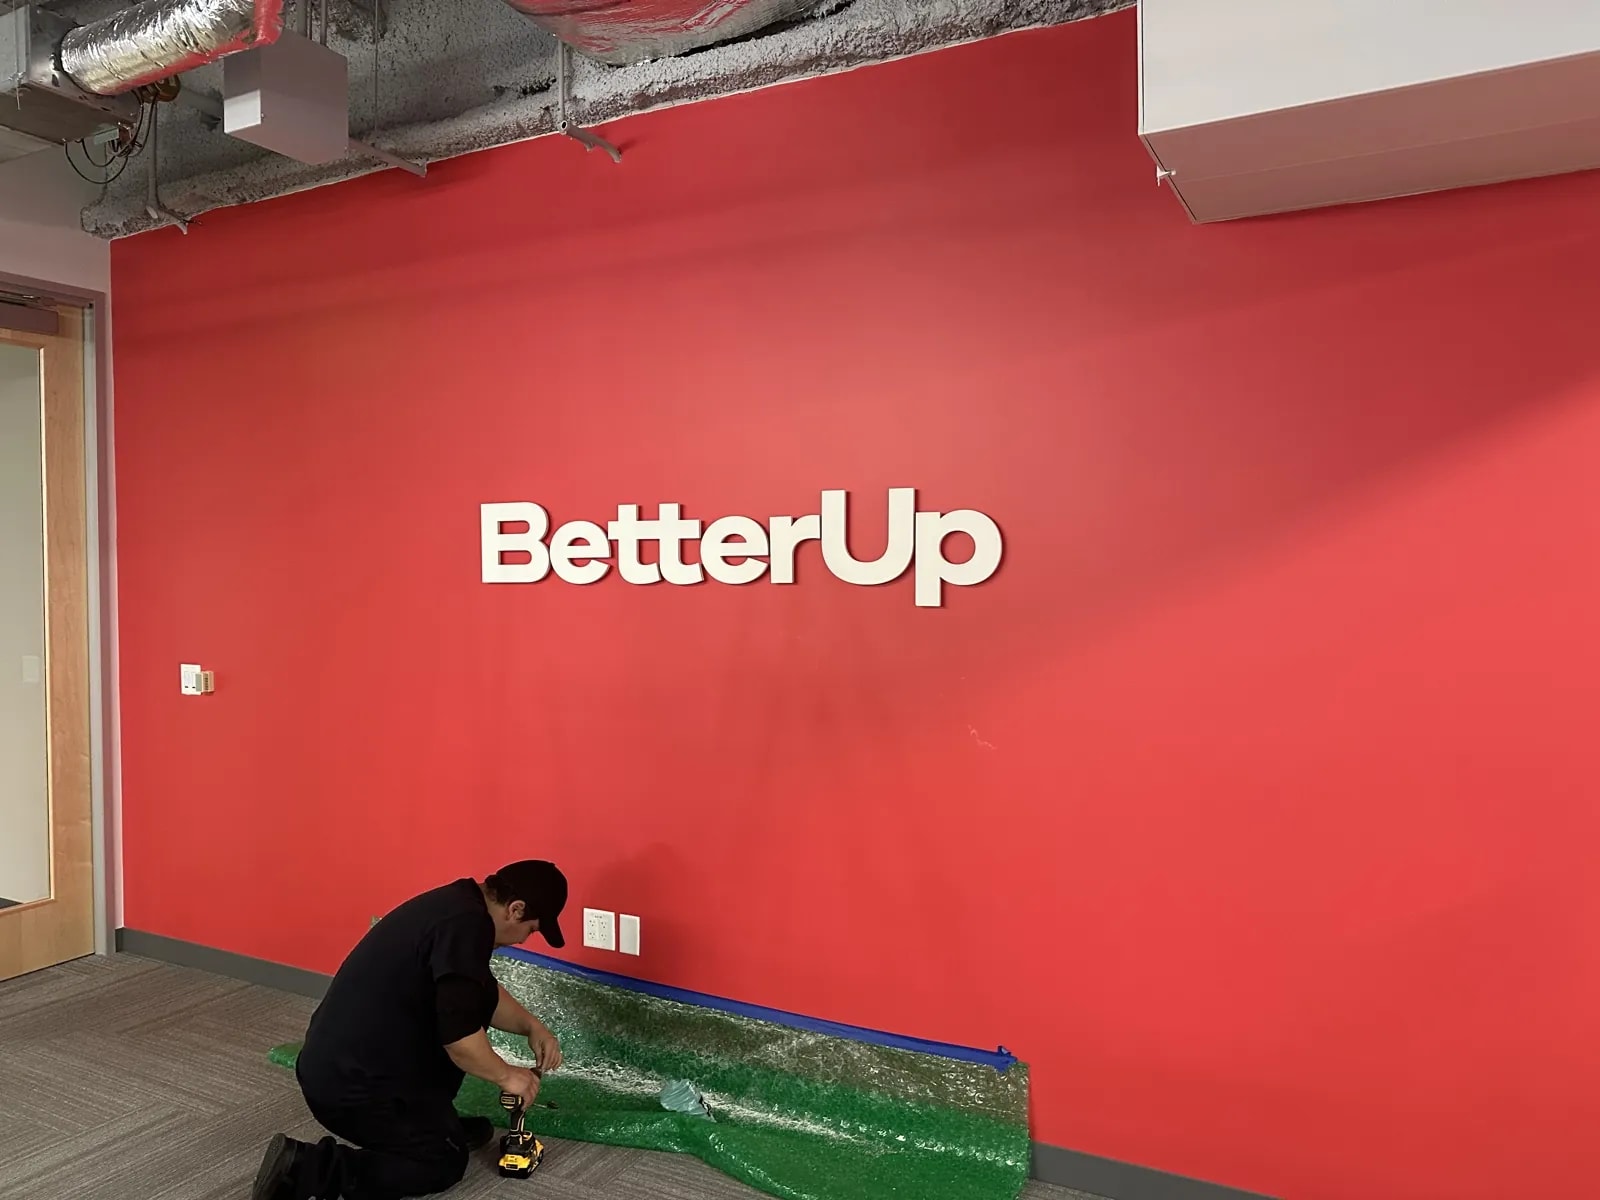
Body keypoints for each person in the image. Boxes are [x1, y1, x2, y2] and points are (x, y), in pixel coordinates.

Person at [252, 861, 570, 1200]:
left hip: (340, 1065)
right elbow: (460, 1042)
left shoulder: (459, 906)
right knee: (442, 1161)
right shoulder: (467, 926)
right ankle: (305, 1167)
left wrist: (532, 1026)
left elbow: (479, 993)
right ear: (516, 909)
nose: (523, 940)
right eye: (531, 930)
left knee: (458, 1016)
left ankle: (431, 1124)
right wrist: (509, 1076)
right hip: (348, 1088)